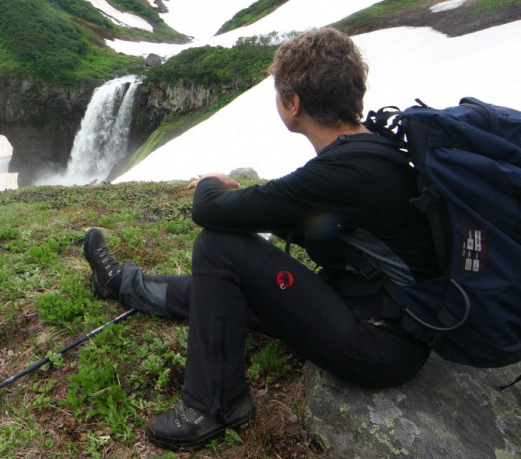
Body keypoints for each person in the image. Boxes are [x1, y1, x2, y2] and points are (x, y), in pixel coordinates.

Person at [82, 28, 438, 451]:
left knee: (217, 246)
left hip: (379, 344)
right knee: (224, 290)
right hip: (367, 309)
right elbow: (323, 224)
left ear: (293, 103)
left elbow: (208, 211)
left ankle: (214, 405)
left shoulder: (344, 172)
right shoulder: (369, 151)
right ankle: (120, 283)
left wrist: (212, 183)